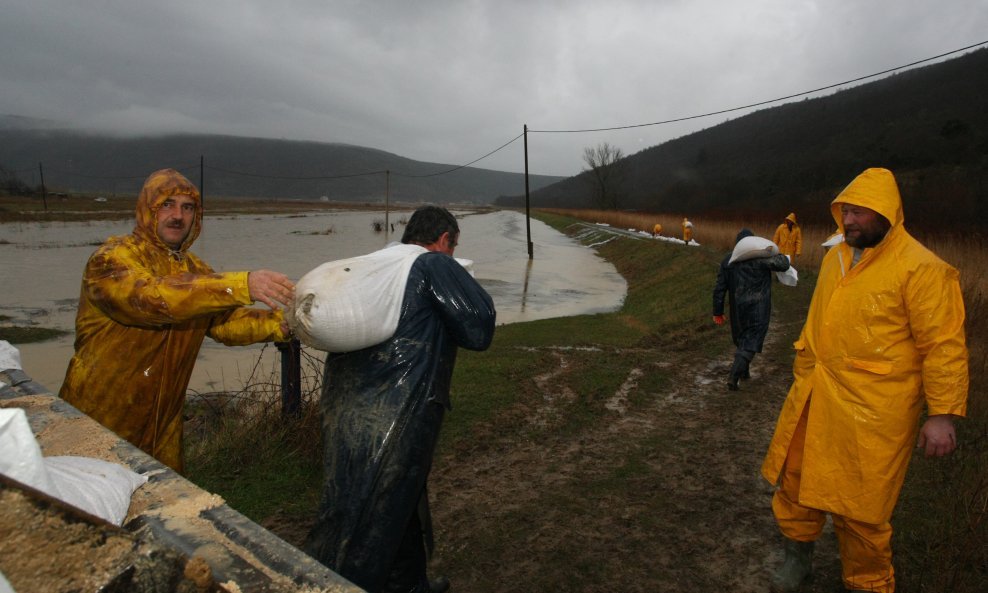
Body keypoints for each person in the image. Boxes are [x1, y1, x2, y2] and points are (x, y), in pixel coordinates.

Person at [760, 168, 968, 593]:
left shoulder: (923, 269)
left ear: (887, 214)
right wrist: (804, 369)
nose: (850, 220)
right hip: (814, 395)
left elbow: (944, 346)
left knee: (861, 509)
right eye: (846, 211)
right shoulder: (837, 256)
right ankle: (797, 563)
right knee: (795, 482)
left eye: (860, 212)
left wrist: (943, 414)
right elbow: (820, 322)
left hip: (874, 412)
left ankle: (869, 583)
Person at [304, 206, 496, 593]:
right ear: (444, 240)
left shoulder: (381, 268)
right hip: (401, 411)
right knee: (376, 510)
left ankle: (409, 584)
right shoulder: (433, 265)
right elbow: (479, 329)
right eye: (453, 247)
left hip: (347, 407)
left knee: (394, 500)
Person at [59, 168, 294, 473]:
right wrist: (240, 284)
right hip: (100, 416)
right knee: (90, 504)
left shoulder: (196, 269)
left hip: (164, 424)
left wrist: (286, 324)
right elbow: (151, 300)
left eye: (188, 207)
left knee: (161, 510)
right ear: (147, 210)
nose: (177, 216)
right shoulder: (111, 260)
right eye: (167, 204)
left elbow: (224, 322)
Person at [711, 229, 791, 390]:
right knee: (752, 339)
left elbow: (719, 288)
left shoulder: (728, 261)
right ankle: (734, 375)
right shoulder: (762, 259)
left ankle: (744, 371)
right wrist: (775, 252)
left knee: (742, 338)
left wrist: (717, 311)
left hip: (738, 307)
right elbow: (783, 264)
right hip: (758, 306)